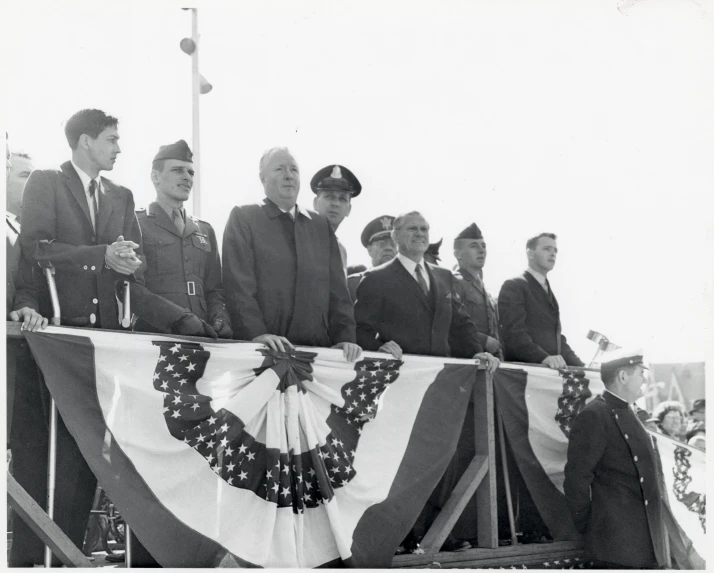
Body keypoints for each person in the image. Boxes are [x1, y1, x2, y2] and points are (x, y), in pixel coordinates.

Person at [9, 109, 145, 566]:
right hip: (54, 341)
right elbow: (36, 247)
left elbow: (127, 258)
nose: (118, 149)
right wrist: (101, 256)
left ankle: (69, 558)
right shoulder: (47, 182)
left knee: (86, 458)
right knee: (43, 461)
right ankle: (32, 562)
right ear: (85, 141)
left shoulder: (121, 195)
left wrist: (126, 259)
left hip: (102, 346)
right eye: (111, 139)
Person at [354, 210, 499, 552]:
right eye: (412, 229)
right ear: (396, 237)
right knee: (402, 462)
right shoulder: (376, 279)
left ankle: (433, 533)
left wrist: (478, 351)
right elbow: (360, 330)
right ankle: (398, 536)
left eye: (424, 228)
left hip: (441, 387)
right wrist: (378, 346)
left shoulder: (444, 277)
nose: (420, 234)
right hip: (400, 387)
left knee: (440, 458)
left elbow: (460, 324)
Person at [222, 147, 360, 361]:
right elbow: (238, 287)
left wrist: (345, 337)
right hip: (265, 352)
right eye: (279, 169)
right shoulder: (245, 218)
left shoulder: (320, 225)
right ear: (263, 178)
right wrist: (256, 333)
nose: (288, 175)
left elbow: (338, 293)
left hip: (316, 353)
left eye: (294, 170)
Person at [564, 349, 668, 569]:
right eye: (640, 374)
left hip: (646, 542)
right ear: (623, 376)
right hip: (615, 546)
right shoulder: (595, 415)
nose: (645, 380)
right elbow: (576, 480)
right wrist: (592, 526)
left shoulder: (633, 414)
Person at [134, 140, 231, 338]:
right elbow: (133, 288)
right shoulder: (136, 223)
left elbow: (214, 290)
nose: (187, 177)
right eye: (178, 170)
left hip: (202, 336)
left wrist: (220, 319)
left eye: (191, 172)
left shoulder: (204, 229)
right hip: (154, 337)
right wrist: (177, 318)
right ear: (155, 176)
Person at [498, 233, 584, 368]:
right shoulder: (515, 286)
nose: (553, 254)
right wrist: (543, 357)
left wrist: (583, 366)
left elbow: (557, 340)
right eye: (547, 249)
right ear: (530, 254)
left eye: (555, 250)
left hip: (548, 373)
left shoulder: (547, 289)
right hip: (525, 373)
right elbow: (513, 334)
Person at [452, 222, 502, 359]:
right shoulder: (454, 281)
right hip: (466, 359)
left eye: (483, 246)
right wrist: (483, 340)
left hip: (490, 361)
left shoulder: (484, 288)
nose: (481, 250)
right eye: (474, 246)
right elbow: (450, 323)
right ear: (458, 254)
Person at [311, 164, 361, 269]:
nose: (336, 204)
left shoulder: (341, 251)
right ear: (315, 203)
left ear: (349, 210)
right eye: (329, 196)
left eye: (342, 199)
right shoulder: (299, 238)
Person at [347, 215, 397, 300]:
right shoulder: (352, 284)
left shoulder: (410, 283)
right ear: (369, 250)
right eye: (381, 244)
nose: (388, 248)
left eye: (393, 244)